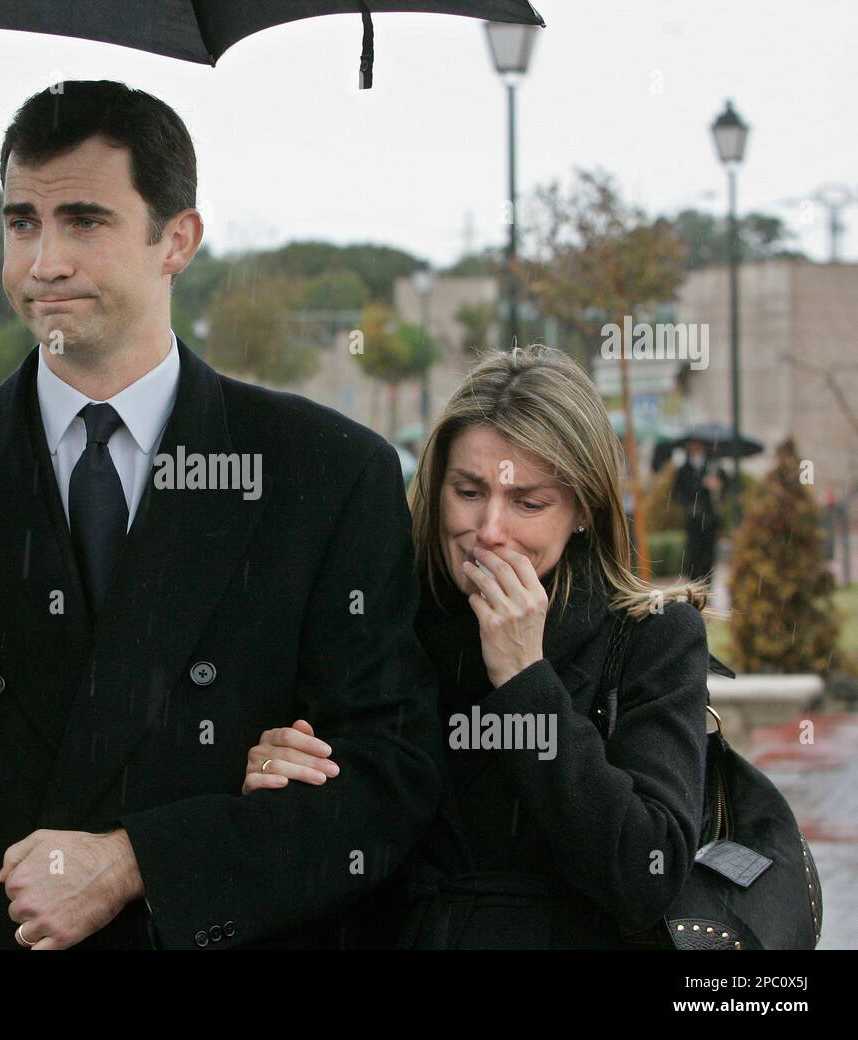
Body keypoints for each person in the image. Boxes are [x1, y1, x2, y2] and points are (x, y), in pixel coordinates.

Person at [0, 80, 444, 950]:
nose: (44, 262)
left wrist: (138, 863)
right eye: (20, 223)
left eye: (84, 221)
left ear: (178, 240)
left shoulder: (326, 474)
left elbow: (390, 782)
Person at [243, 346, 715, 948]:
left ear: (583, 512)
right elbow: (334, 845)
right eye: (468, 492)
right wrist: (273, 778)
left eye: (528, 503)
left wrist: (526, 681)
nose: (489, 530)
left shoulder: (651, 636)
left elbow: (647, 872)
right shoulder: (376, 618)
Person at [672, 437, 728, 584]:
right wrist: (690, 506)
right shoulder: (683, 470)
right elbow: (677, 493)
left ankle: (708, 584)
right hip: (693, 520)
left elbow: (727, 489)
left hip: (710, 519)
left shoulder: (714, 468)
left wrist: (717, 486)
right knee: (693, 553)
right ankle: (695, 583)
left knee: (708, 554)